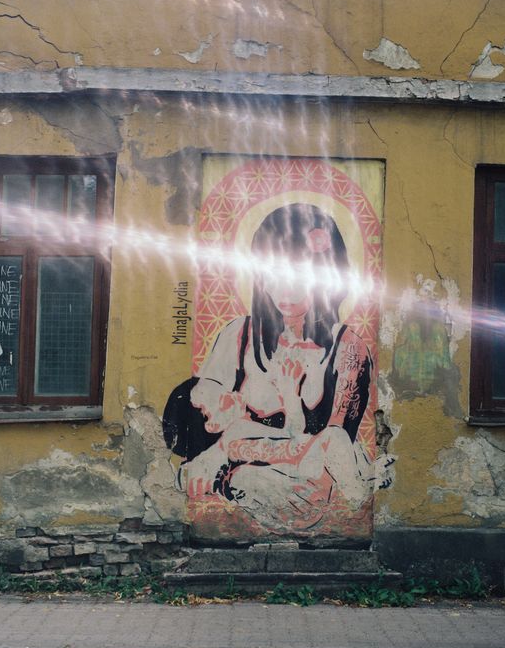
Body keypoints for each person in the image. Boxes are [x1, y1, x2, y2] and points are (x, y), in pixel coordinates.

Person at [166, 203, 394, 534]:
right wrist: (220, 450)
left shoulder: (349, 351)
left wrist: (228, 450)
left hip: (316, 480)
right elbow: (201, 418)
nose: (284, 289)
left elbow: (334, 444)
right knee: (248, 478)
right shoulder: (238, 336)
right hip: (262, 484)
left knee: (321, 452)